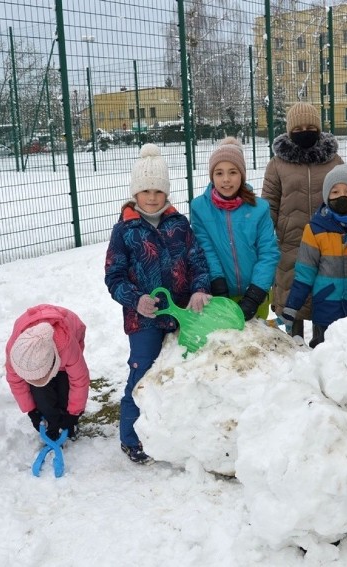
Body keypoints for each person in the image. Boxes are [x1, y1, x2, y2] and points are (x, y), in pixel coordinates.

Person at [104, 143, 211, 465]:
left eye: (158, 191)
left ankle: (176, 430)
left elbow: (198, 263)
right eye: (145, 191)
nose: (152, 197)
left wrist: (199, 290)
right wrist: (135, 300)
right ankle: (130, 436)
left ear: (166, 193)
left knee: (183, 370)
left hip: (182, 314)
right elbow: (114, 277)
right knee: (142, 372)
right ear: (135, 192)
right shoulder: (125, 231)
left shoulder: (179, 224)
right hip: (144, 320)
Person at [281, 164, 347, 348]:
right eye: (335, 192)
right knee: (328, 361)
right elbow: (304, 273)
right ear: (326, 196)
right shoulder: (315, 229)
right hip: (327, 312)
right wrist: (292, 307)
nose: (342, 196)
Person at [262, 102, 343, 343]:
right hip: (290, 245)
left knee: (324, 300)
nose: (305, 131)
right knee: (290, 301)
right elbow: (269, 204)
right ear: (289, 131)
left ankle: (322, 350)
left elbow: (343, 197)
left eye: (311, 127)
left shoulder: (333, 160)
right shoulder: (277, 163)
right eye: (299, 128)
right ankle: (292, 349)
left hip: (326, 244)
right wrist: (268, 239)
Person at [191, 137, 280, 321]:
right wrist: (218, 285)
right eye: (219, 173)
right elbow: (205, 249)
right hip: (220, 294)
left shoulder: (259, 208)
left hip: (256, 293)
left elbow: (268, 253)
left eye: (232, 172)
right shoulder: (200, 208)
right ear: (211, 176)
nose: (226, 180)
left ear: (242, 175)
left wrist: (255, 294)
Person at [5, 305, 90, 442]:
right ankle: (52, 421)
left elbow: (80, 379)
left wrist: (74, 413)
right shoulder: (16, 353)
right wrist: (31, 410)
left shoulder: (68, 347)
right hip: (37, 348)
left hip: (70, 334)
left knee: (65, 385)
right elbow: (15, 381)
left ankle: (65, 419)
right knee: (41, 393)